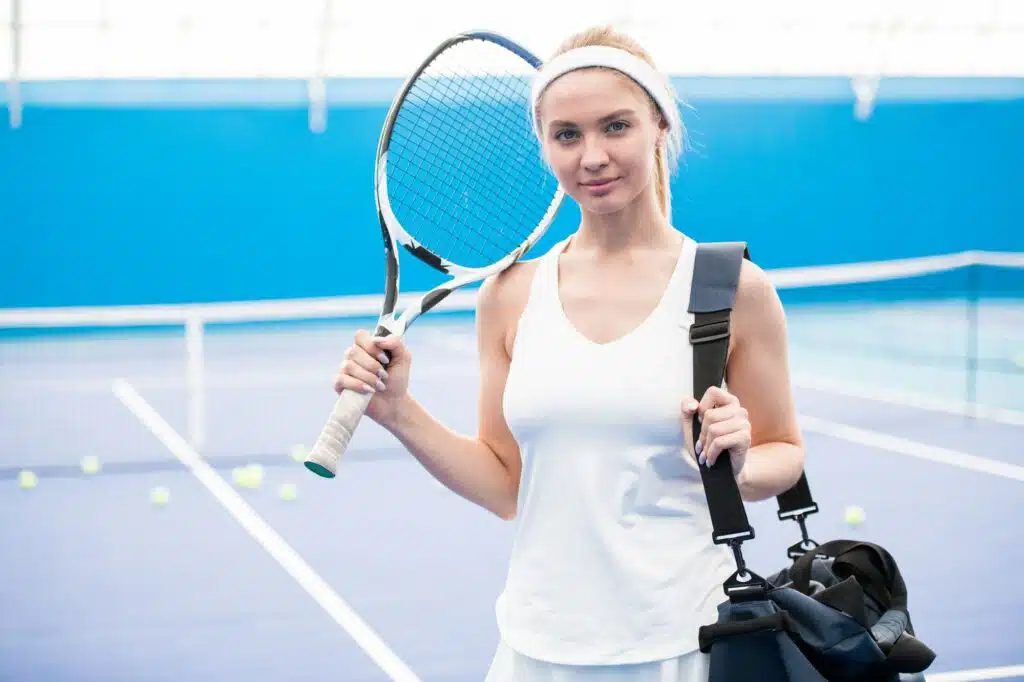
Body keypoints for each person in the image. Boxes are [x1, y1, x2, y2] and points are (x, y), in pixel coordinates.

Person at [332, 24, 806, 682]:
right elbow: (504, 485)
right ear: (545, 146)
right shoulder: (509, 295)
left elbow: (786, 452)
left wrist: (744, 463)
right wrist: (398, 410)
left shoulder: (733, 289)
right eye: (567, 135)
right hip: (535, 649)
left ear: (659, 127)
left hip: (686, 646)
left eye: (616, 127)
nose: (593, 157)